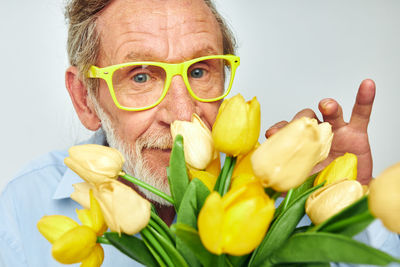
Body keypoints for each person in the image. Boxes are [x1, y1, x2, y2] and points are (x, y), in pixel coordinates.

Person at [0, 0, 398, 266]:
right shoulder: (24, 207)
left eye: (199, 71)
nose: (182, 113)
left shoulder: (286, 194)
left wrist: (358, 211)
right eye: (141, 76)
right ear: (85, 99)